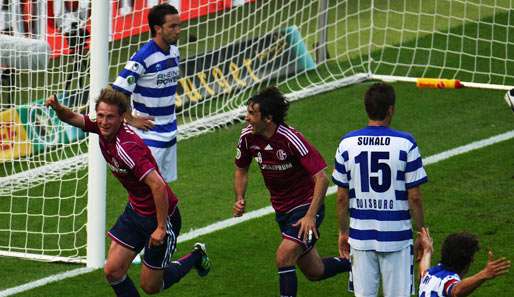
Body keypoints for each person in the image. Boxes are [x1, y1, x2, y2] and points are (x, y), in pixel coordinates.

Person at [45, 88, 210, 296]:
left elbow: (158, 185)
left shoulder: (128, 147)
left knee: (151, 286)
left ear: (122, 118)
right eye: (101, 116)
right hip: (136, 211)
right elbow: (71, 117)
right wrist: (58, 108)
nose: (104, 122)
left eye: (110, 117)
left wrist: (160, 228)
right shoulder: (101, 128)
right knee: (113, 271)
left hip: (161, 216)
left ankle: (196, 256)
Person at [233, 86, 350, 297]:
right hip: (283, 211)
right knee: (315, 271)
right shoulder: (247, 137)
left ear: (268, 118)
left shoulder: (290, 138)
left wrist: (310, 216)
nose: (246, 117)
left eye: (252, 113)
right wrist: (240, 197)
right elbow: (241, 169)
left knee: (283, 256)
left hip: (306, 207)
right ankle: (357, 264)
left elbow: (321, 179)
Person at [333, 82, 427, 297]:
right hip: (397, 237)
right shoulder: (406, 143)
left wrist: (343, 231)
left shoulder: (347, 143)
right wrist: (421, 232)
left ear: (367, 108)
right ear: (391, 109)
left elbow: (341, 197)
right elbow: (415, 198)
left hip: (360, 238)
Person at [112, 3, 181, 183]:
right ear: (158, 29)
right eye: (172, 26)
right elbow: (118, 90)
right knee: (150, 191)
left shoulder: (174, 51)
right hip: (149, 136)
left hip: (170, 131)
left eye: (178, 25)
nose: (178, 30)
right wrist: (131, 119)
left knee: (165, 189)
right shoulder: (143, 57)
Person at [417, 228, 511, 297]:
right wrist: (484, 274)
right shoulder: (448, 280)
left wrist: (427, 251)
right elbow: (456, 291)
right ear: (468, 261)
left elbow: (423, 272)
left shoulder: (430, 274)